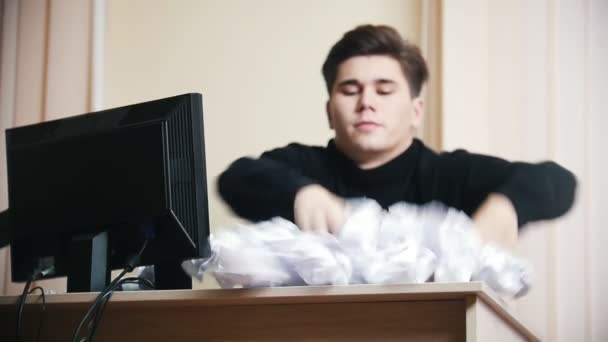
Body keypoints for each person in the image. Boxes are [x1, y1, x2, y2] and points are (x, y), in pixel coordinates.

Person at [217, 24, 576, 248]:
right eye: (350, 90)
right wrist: (300, 192)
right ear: (330, 111)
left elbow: (557, 181)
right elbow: (236, 178)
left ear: (416, 111)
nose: (366, 103)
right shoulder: (303, 166)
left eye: (384, 90)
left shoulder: (449, 175)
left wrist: (506, 208)